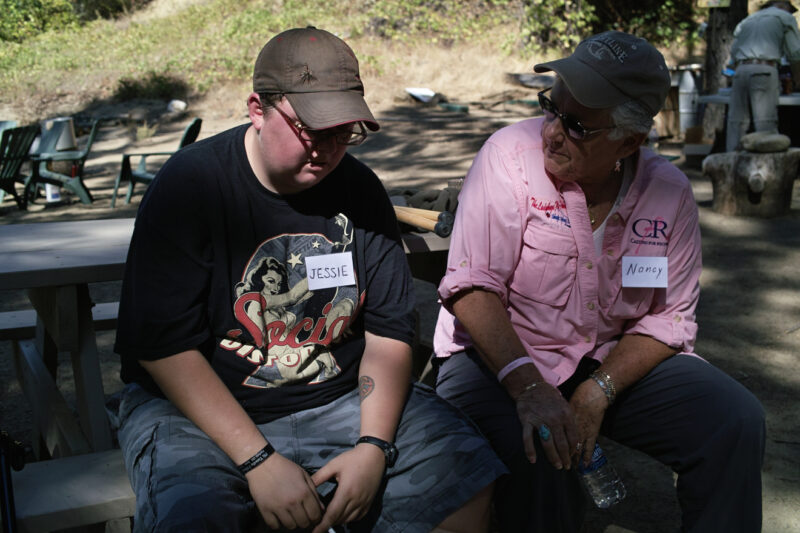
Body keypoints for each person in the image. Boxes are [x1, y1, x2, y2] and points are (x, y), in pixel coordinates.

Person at [110, 26, 505, 533]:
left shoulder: (360, 191)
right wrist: (258, 461)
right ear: (258, 108)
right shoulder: (190, 187)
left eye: (345, 132)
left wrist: (373, 447)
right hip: (199, 414)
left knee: (466, 475)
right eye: (312, 130)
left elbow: (388, 334)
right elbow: (163, 348)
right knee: (195, 515)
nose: (329, 149)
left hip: (335, 396)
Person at [432, 30, 766, 532]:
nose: (552, 132)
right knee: (541, 449)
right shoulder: (508, 157)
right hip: (498, 360)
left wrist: (598, 389)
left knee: (734, 421)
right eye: (552, 108)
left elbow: (669, 318)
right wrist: (530, 387)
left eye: (577, 126)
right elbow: (472, 287)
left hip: (608, 359)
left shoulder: (667, 193)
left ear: (629, 141)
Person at [727, 0, 800, 151]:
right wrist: (798, 79)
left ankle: (731, 163)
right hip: (764, 70)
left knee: (736, 124)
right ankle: (766, 170)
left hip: (740, 71)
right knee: (765, 126)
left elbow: (733, 53)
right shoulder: (785, 18)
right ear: (784, 6)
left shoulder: (747, 20)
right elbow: (795, 54)